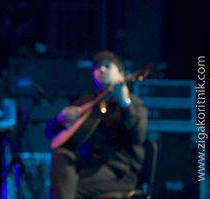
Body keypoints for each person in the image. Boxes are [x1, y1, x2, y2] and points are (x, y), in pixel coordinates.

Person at [44, 50, 148, 199]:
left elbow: (138, 137)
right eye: (97, 67)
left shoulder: (134, 104)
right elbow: (49, 135)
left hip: (118, 170)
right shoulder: (85, 103)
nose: (101, 69)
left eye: (107, 66)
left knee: (70, 190)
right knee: (61, 155)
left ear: (121, 74)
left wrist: (125, 104)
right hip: (87, 166)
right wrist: (60, 119)